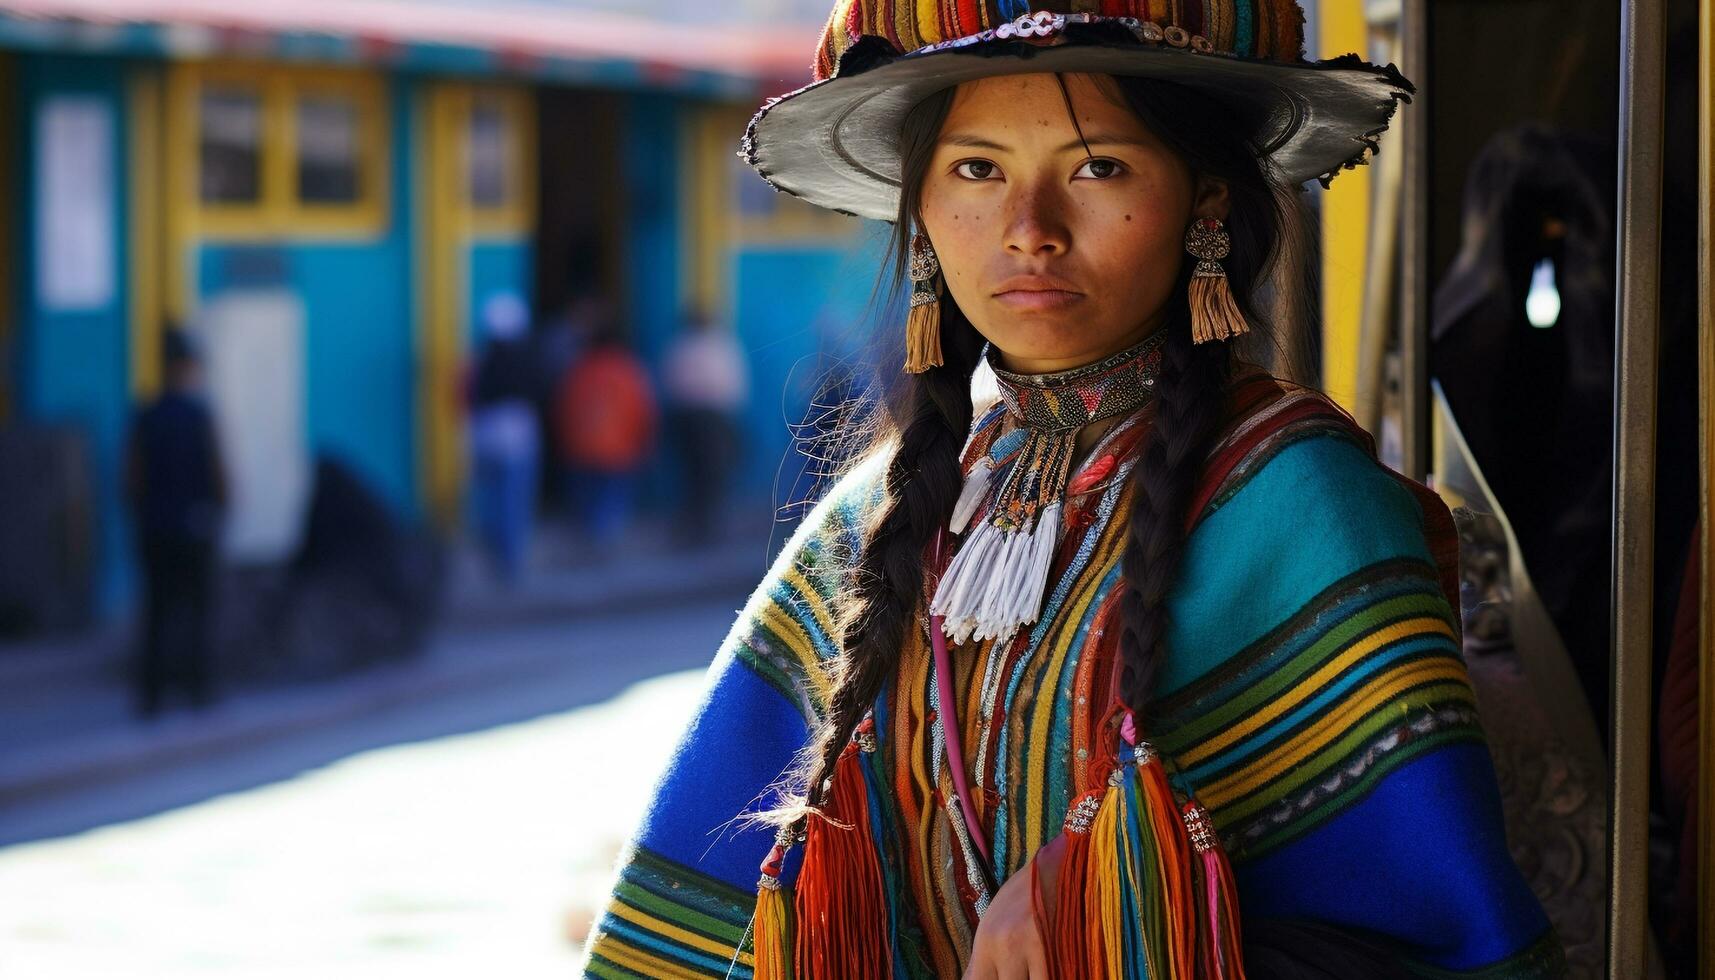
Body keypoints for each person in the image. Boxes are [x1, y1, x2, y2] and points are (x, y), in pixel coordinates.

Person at [580, 4, 1563, 979]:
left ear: (1205, 199)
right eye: (975, 169)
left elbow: (1444, 942)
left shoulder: (1306, 509)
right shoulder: (872, 521)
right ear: (920, 211)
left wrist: (1111, 920)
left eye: (1098, 167)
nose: (1028, 229)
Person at [124, 329, 227, 717]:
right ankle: (198, 688)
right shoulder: (200, 417)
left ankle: (152, 696)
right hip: (194, 529)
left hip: (155, 530)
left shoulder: (146, 417)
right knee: (197, 613)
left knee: (157, 613)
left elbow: (131, 480)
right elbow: (222, 478)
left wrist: (142, 519)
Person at [552, 317, 657, 556]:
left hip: (581, 447)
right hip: (618, 449)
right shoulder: (628, 371)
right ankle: (603, 543)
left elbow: (564, 408)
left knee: (587, 500)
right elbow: (642, 410)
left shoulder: (579, 370)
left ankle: (590, 541)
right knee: (611, 502)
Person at [467, 291, 543, 584]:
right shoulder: (524, 360)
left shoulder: (482, 361)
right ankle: (510, 563)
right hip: (517, 437)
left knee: (492, 499)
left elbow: (469, 397)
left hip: (485, 435)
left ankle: (494, 554)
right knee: (513, 500)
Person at [661, 307, 750, 545]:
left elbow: (669, 381)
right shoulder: (721, 345)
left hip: (687, 415)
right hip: (712, 417)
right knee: (711, 473)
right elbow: (734, 384)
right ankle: (706, 526)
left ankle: (697, 526)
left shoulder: (679, 346)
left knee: (693, 473)